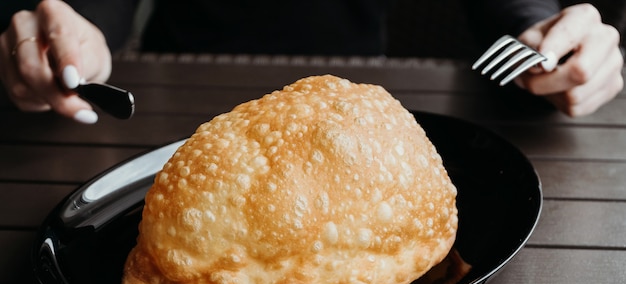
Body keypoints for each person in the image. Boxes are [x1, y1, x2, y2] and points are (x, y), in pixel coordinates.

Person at [0, 0, 623, 124]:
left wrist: (546, 38)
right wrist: (64, 29)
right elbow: (88, 12)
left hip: (354, 109)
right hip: (169, 99)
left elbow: (510, 10)